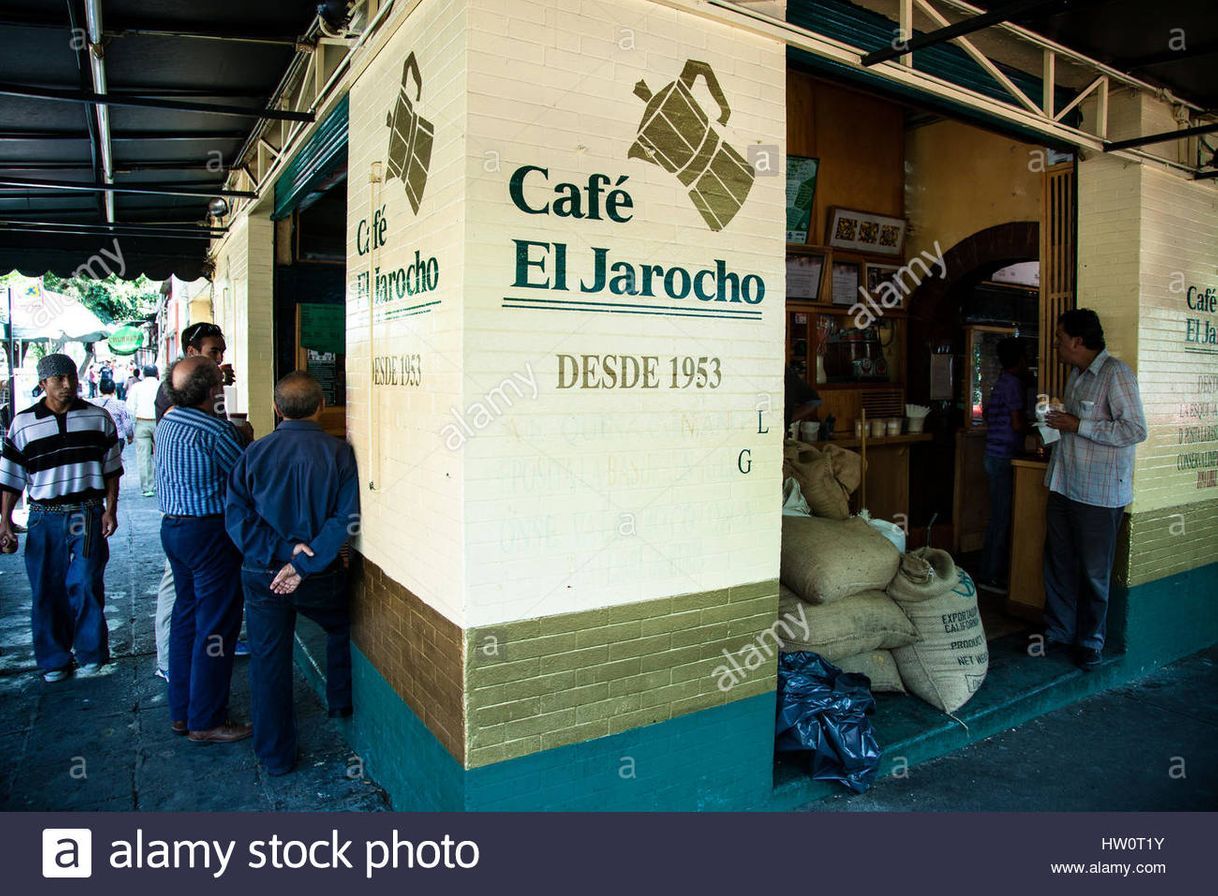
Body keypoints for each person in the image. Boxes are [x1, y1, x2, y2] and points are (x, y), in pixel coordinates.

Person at [226, 372, 358, 775]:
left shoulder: (254, 453)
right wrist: (302, 563)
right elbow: (347, 518)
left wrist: (282, 553)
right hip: (320, 574)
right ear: (320, 407)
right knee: (341, 627)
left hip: (263, 573)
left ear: (277, 409)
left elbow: (236, 517)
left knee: (268, 660)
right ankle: (340, 703)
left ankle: (275, 756)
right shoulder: (339, 454)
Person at [0, 354, 123, 681]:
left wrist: (111, 509)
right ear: (43, 384)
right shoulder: (23, 424)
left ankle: (91, 652)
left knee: (85, 582)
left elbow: (112, 470)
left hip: (86, 513)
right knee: (47, 588)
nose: (68, 385)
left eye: (71, 377)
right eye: (58, 380)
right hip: (44, 517)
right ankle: (54, 659)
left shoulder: (98, 419)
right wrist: (4, 522)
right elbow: (11, 479)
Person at [1041, 309, 1147, 670]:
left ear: (1077, 341)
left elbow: (1134, 430)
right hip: (1064, 484)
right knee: (1058, 562)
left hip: (1098, 494)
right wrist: (1055, 424)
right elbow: (1074, 426)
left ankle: (1090, 642)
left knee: (1093, 572)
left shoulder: (1116, 375)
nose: (1056, 344)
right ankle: (1059, 631)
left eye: (1059, 338)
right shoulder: (1075, 375)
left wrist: (1078, 424)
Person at [155, 356, 250, 743]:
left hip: (173, 531)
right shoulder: (213, 431)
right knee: (216, 627)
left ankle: (182, 712)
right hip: (209, 534)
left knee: (186, 618)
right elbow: (245, 477)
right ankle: (207, 719)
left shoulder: (168, 422)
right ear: (214, 391)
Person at [978, 338, 1027, 594]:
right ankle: (990, 575)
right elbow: (1018, 424)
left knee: (997, 515)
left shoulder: (999, 384)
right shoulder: (1014, 385)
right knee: (1002, 517)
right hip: (1004, 456)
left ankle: (989, 570)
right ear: (1020, 360)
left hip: (991, 454)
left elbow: (987, 414)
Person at [127, 364, 160, 497]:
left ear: (144, 374)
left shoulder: (137, 387)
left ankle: (148, 487)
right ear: (157, 373)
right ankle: (162, 483)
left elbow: (129, 406)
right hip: (159, 422)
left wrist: (135, 418)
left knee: (143, 456)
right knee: (162, 454)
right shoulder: (161, 385)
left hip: (141, 422)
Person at [89, 376, 134, 446]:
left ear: (100, 390)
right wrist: (130, 436)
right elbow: (127, 423)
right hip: (117, 437)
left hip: (98, 436)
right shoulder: (120, 404)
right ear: (114, 390)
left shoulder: (93, 403)